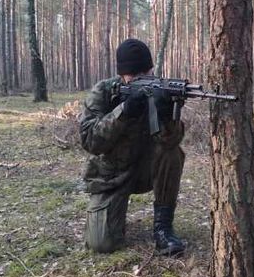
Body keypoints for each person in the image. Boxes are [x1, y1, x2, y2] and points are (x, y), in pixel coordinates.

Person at [79, 38, 186, 255]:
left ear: (151, 69)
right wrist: (124, 111)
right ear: (122, 75)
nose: (141, 78)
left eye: (145, 73)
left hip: (146, 171)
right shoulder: (104, 92)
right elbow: (90, 141)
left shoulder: (159, 90)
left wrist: (167, 115)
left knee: (172, 152)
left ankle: (163, 228)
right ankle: (113, 214)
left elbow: (171, 141)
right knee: (101, 244)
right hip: (112, 176)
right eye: (133, 75)